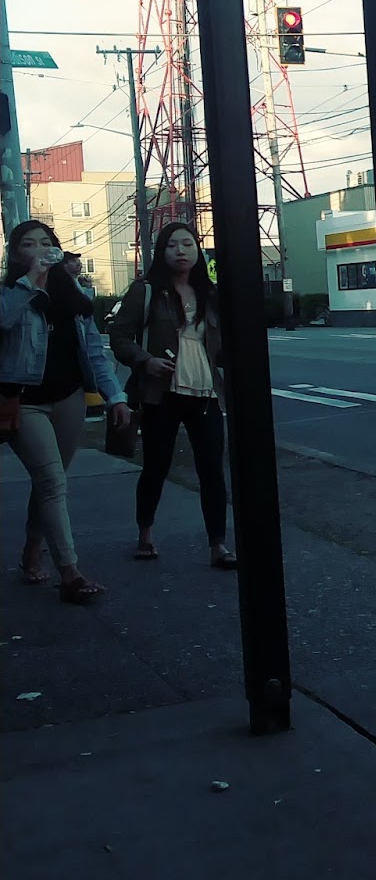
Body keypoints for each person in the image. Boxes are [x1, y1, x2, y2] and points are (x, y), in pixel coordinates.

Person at [1, 220, 131, 602]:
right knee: (53, 482)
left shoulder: (72, 295)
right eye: (29, 244)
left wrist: (115, 396)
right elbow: (3, 320)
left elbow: (93, 351)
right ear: (16, 253)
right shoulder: (10, 293)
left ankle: (32, 548)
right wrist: (31, 280)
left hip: (70, 398)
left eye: (46, 243)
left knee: (49, 482)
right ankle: (70, 573)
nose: (39, 250)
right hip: (24, 402)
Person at [110, 223, 237, 569]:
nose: (181, 251)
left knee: (212, 469)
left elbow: (223, 343)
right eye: (172, 245)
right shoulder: (146, 290)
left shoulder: (210, 293)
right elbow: (119, 336)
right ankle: (145, 534)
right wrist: (145, 361)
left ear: (198, 250)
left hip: (205, 391)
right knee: (156, 465)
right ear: (161, 252)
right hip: (161, 392)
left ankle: (218, 545)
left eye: (188, 244)